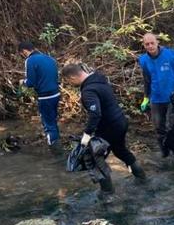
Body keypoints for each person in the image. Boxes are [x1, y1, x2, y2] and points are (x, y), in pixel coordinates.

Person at [62, 64, 146, 193]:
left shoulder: (88, 91)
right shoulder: (99, 78)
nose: (69, 84)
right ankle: (142, 179)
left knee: (96, 159)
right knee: (120, 151)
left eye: (68, 81)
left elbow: (95, 113)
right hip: (120, 121)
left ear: (72, 77)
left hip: (109, 127)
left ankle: (107, 194)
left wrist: (87, 134)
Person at [137, 33, 174, 157]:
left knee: (173, 127)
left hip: (173, 97)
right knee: (159, 128)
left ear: (157, 42)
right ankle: (164, 154)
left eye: (152, 43)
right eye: (147, 44)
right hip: (156, 99)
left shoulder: (170, 54)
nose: (150, 46)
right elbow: (147, 80)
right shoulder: (143, 60)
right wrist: (145, 98)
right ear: (144, 45)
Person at [18, 42, 62, 155]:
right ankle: (58, 144)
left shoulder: (30, 60)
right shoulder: (49, 58)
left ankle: (56, 154)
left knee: (48, 125)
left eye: (22, 54)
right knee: (53, 121)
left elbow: (31, 82)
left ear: (24, 51)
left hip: (45, 96)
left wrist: (23, 82)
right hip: (56, 94)